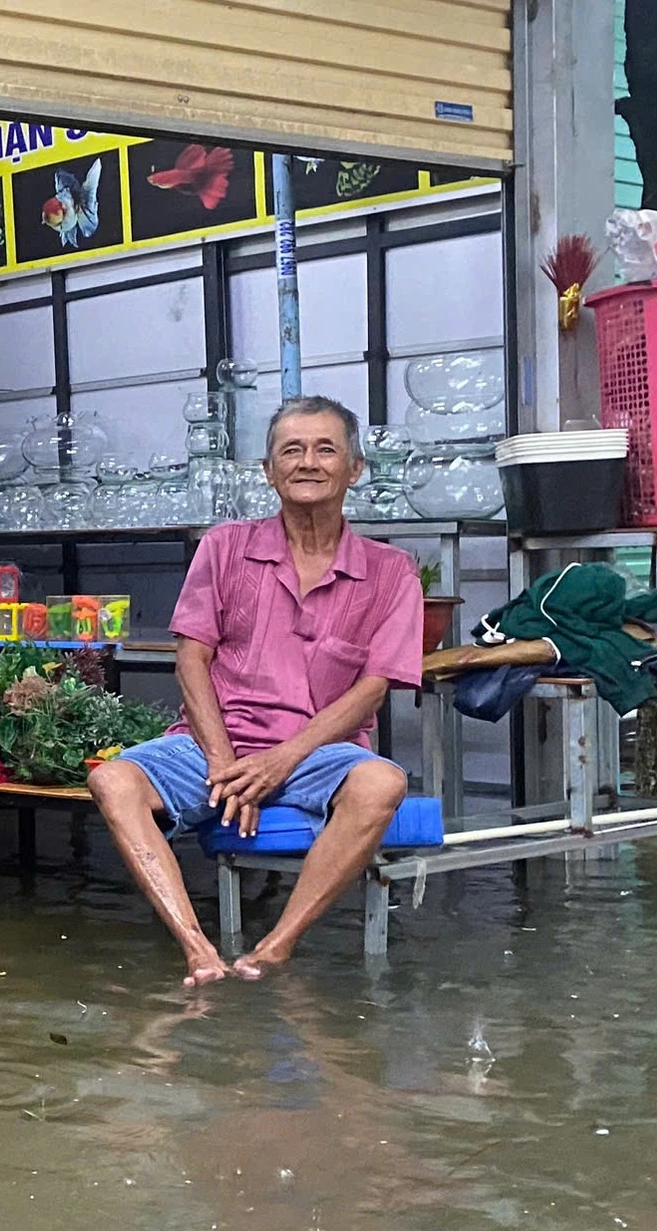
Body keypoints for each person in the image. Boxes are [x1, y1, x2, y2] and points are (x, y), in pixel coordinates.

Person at [88, 396, 422, 987]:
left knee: (383, 782)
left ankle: (276, 946)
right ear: (269, 472)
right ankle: (198, 949)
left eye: (326, 449)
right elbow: (192, 658)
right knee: (112, 779)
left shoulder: (392, 571)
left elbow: (373, 690)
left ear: (355, 469)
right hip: (213, 742)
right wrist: (222, 762)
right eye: (291, 450)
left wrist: (278, 762)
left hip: (317, 751)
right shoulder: (224, 547)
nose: (308, 462)